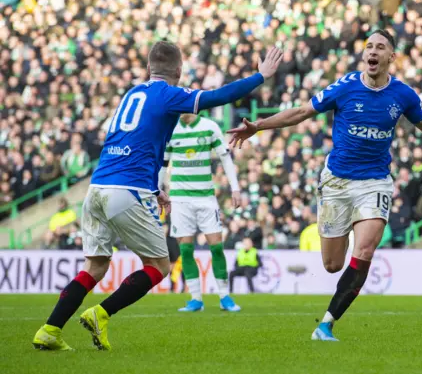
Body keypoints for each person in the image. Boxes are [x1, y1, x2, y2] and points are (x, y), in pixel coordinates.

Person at [228, 30, 422, 341]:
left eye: (380, 47)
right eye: (369, 46)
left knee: (365, 249)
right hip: (337, 181)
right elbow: (301, 112)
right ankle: (330, 304)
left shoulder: (403, 95)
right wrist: (258, 126)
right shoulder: (345, 87)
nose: (373, 51)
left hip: (375, 181)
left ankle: (326, 323)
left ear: (391, 57)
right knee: (332, 264)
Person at [32, 41, 283, 351]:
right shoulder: (169, 95)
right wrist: (261, 76)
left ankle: (50, 329)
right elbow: (219, 97)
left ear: (148, 69)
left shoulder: (131, 94)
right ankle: (100, 314)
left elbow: (134, 145)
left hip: (96, 188)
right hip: (126, 191)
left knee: (94, 267)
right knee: (159, 266)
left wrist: (154, 188)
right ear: (179, 71)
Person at [163, 113, 241, 312]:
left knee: (216, 247)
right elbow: (162, 164)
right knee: (186, 250)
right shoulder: (170, 128)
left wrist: (235, 188)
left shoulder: (209, 126)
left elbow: (225, 157)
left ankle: (225, 296)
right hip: (180, 199)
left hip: (206, 198)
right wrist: (159, 191)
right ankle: (196, 298)